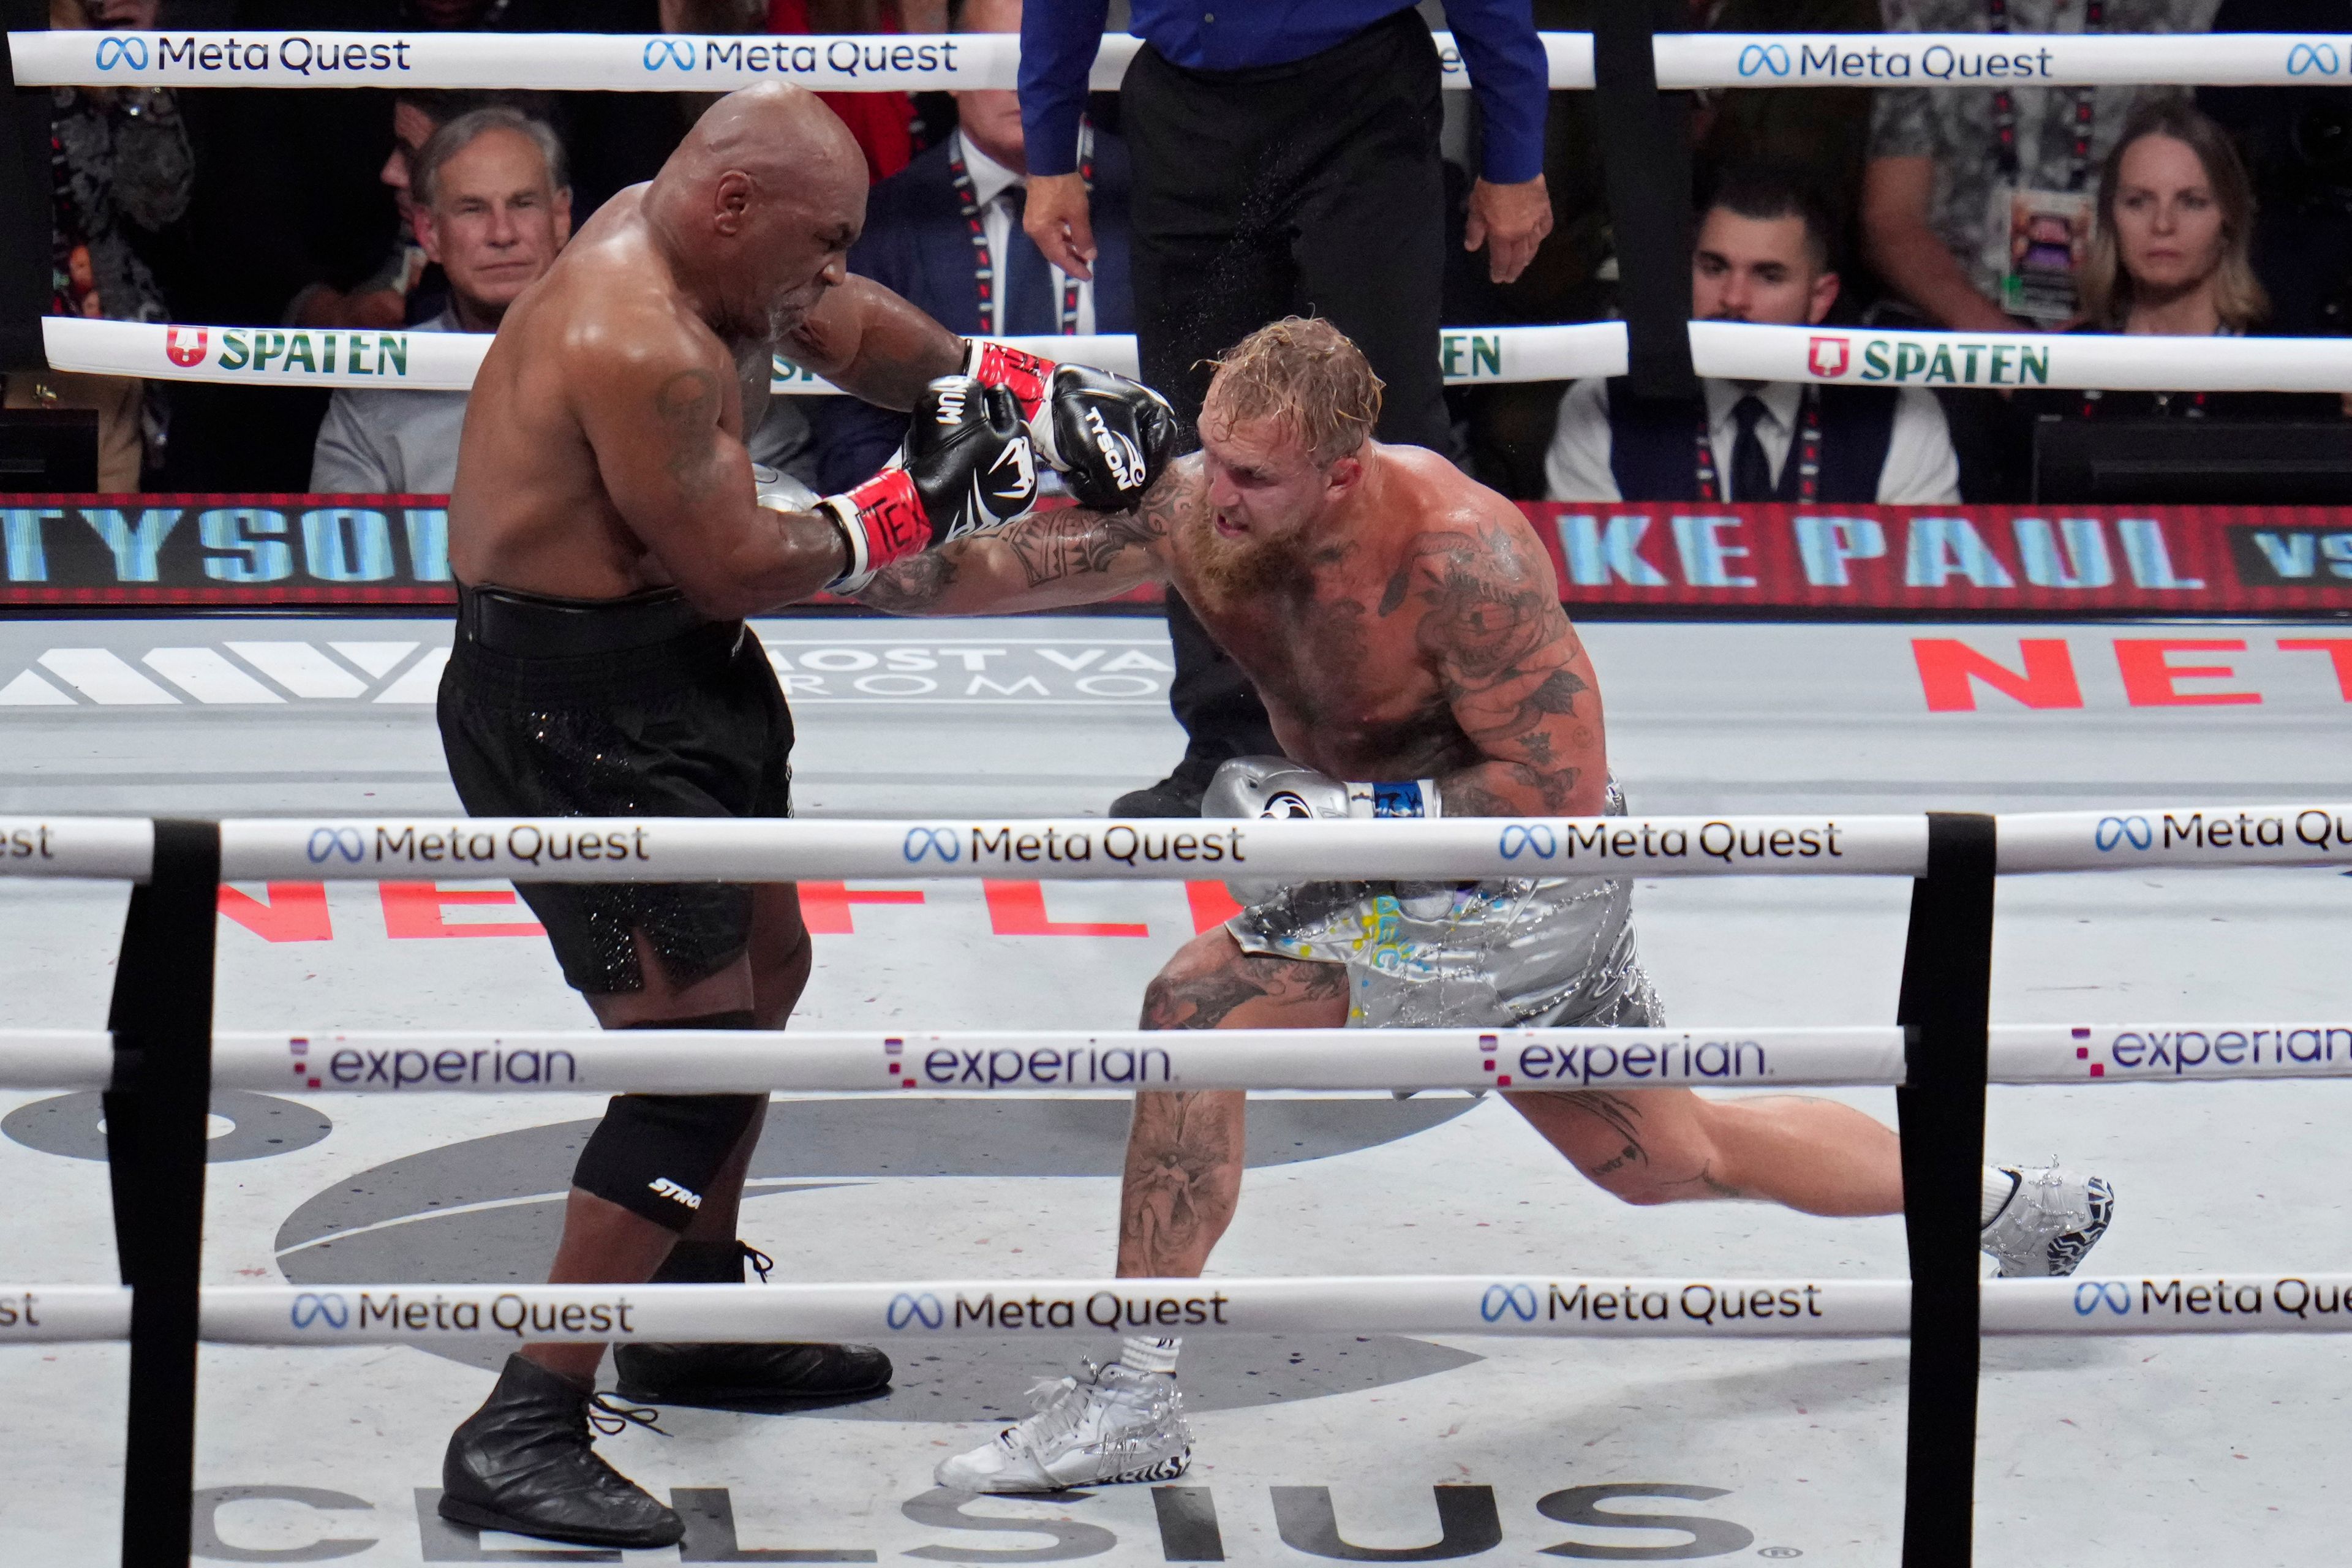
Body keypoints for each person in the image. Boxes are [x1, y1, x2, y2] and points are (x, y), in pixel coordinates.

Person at [858, 316, 2114, 1493]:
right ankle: (2014, 1203)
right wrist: (884, 520)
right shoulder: (1201, 507)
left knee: (1196, 1004)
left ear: (1342, 474)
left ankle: (1135, 1396)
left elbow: (1554, 790)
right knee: (1670, 1156)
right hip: (1408, 864)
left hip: (1521, 873)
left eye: (1254, 476)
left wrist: (1347, 825)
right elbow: (977, 575)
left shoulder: (1464, 552)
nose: (1213, 494)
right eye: (1215, 457)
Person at [432, 81, 1172, 1549]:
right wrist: (924, 497)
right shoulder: (630, 332)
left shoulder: (709, 243)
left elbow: (856, 330)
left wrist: (1013, 385)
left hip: (680, 682)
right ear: (730, 210)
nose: (826, 277)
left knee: (771, 978)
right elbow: (733, 561)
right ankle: (522, 1415)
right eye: (814, 243)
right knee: (693, 1059)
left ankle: (690, 1315)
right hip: (576, 709)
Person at [1018, 1, 1556, 818]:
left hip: (1359, 95)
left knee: (1387, 430)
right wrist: (1050, 153)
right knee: (1204, 442)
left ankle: (1425, 745)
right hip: (1187, 107)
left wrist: (1515, 152)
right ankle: (1229, 746)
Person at [805, 0, 1137, 492]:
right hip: (950, 529)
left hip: (1131, 513)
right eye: (999, 56)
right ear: (953, 70)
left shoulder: (1152, 196)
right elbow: (855, 432)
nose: (1020, 78)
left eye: (1039, 54)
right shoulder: (886, 221)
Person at [1546, 166, 1961, 505]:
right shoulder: (1603, 403)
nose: (1733, 299)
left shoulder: (1899, 413)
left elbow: (1922, 599)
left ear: (1820, 299)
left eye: (1768, 276)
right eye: (1714, 268)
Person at [2019, 99, 2343, 422]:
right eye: (2138, 202)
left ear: (2229, 220)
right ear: (2111, 219)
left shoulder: (2289, 373)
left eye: (2191, 203)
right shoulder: (2061, 368)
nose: (2163, 225)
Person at [309, 108, 573, 494]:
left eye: (523, 204)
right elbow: (344, 549)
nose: (502, 234)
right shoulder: (374, 395)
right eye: (473, 209)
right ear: (429, 233)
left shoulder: (637, 363)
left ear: (561, 217)